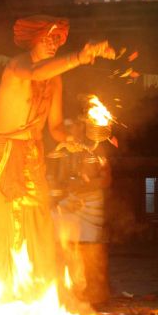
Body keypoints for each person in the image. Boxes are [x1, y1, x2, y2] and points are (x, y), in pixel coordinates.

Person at [0, 15, 115, 291]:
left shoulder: (55, 80)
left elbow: (55, 127)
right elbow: (37, 73)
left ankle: (36, 287)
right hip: (3, 150)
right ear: (33, 40)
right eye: (48, 38)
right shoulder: (17, 65)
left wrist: (73, 140)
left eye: (57, 39)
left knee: (39, 218)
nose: (53, 43)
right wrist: (79, 56)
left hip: (33, 153)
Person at [53, 118, 112, 305]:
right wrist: (62, 189)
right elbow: (61, 181)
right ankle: (69, 291)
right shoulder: (64, 150)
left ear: (82, 126)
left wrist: (84, 186)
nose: (70, 130)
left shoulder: (96, 149)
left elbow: (105, 180)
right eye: (67, 126)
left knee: (89, 247)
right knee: (61, 236)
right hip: (71, 201)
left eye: (73, 125)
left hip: (91, 203)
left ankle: (94, 294)